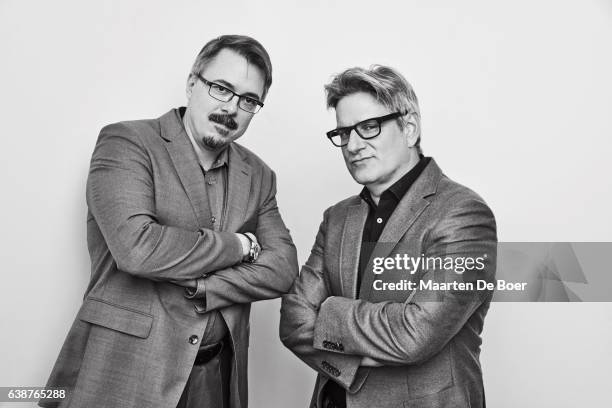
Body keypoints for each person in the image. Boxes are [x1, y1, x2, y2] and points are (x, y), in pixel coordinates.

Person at [41, 35, 298, 408]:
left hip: (215, 378)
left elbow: (282, 269)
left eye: (248, 100)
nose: (232, 108)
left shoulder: (258, 175)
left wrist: (203, 285)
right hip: (128, 371)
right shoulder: (127, 142)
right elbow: (137, 250)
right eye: (221, 88)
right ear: (193, 83)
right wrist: (240, 246)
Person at [280, 65, 497, 408]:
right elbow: (293, 321)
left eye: (368, 127)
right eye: (343, 133)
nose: (352, 145)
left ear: (409, 128)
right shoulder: (336, 217)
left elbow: (416, 334)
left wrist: (330, 312)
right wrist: (352, 363)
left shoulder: (463, 213)